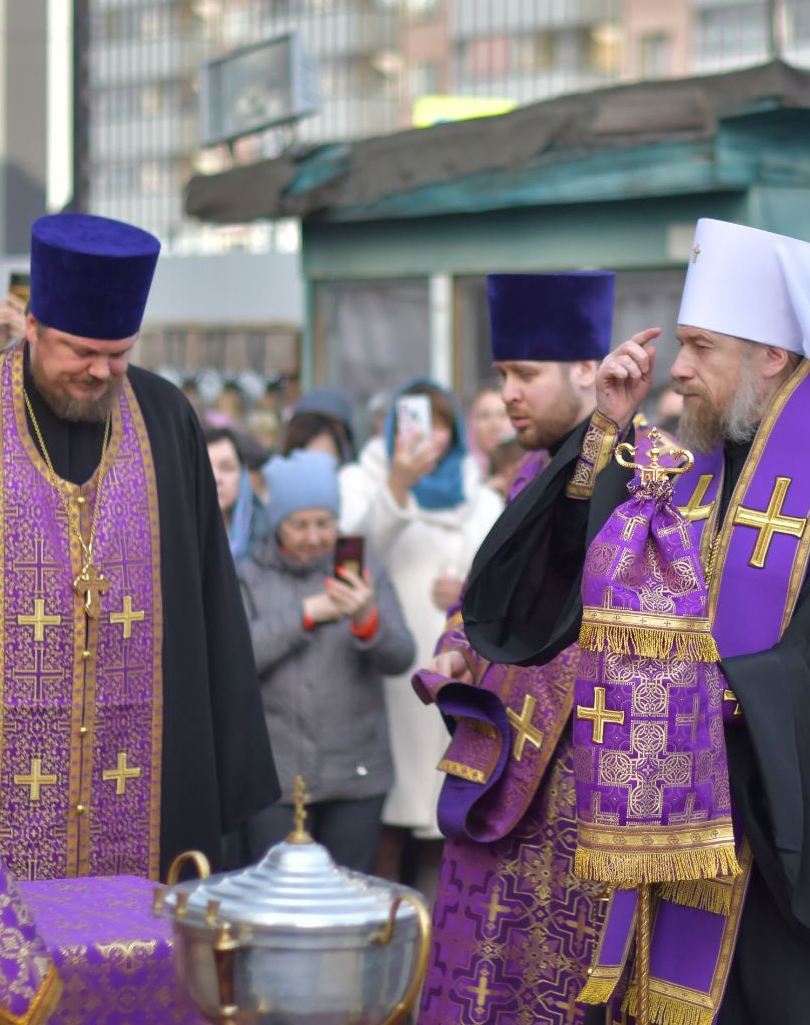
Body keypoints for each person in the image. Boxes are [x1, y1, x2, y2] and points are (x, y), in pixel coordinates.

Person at [457, 221, 810, 1023]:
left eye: (702, 347)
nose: (678, 368)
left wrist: (683, 701)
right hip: (664, 850)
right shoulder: (694, 464)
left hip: (769, 859)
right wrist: (606, 428)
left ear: (770, 355)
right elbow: (558, 587)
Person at [0, 212, 278, 880]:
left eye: (118, 354)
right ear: (32, 326)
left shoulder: (166, 419)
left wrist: (227, 762)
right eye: (79, 350)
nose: (99, 371)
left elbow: (211, 601)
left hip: (144, 790)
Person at [414, 270, 615, 1024]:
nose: (508, 395)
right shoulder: (528, 468)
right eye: (502, 374)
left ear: (587, 369)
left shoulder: (642, 469)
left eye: (525, 374)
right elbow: (488, 593)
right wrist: (456, 645)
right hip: (500, 764)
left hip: (577, 786)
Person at [340, 379, 502, 881]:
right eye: (417, 422)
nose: (429, 436)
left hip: (451, 665)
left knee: (441, 814)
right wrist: (397, 486)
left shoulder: (478, 494)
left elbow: (501, 572)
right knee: (386, 819)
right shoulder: (362, 478)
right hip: (386, 667)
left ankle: (436, 923)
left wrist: (468, 589)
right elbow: (353, 555)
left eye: (441, 424)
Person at [238, 450, 414, 870]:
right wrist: (305, 614)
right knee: (276, 894)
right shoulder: (249, 575)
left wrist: (366, 619)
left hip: (355, 771)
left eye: (325, 523)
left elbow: (401, 656)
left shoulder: (364, 570)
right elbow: (239, 658)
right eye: (299, 525)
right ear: (278, 523)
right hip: (276, 778)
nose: (315, 537)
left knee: (349, 893)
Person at [206, 423, 267, 561]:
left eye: (227, 468)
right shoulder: (169, 535)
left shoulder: (266, 537)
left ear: (242, 475)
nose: (216, 478)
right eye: (205, 468)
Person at [466, 386, 515, 479]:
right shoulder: (461, 475)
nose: (494, 425)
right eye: (485, 416)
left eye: (502, 415)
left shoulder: (529, 470)